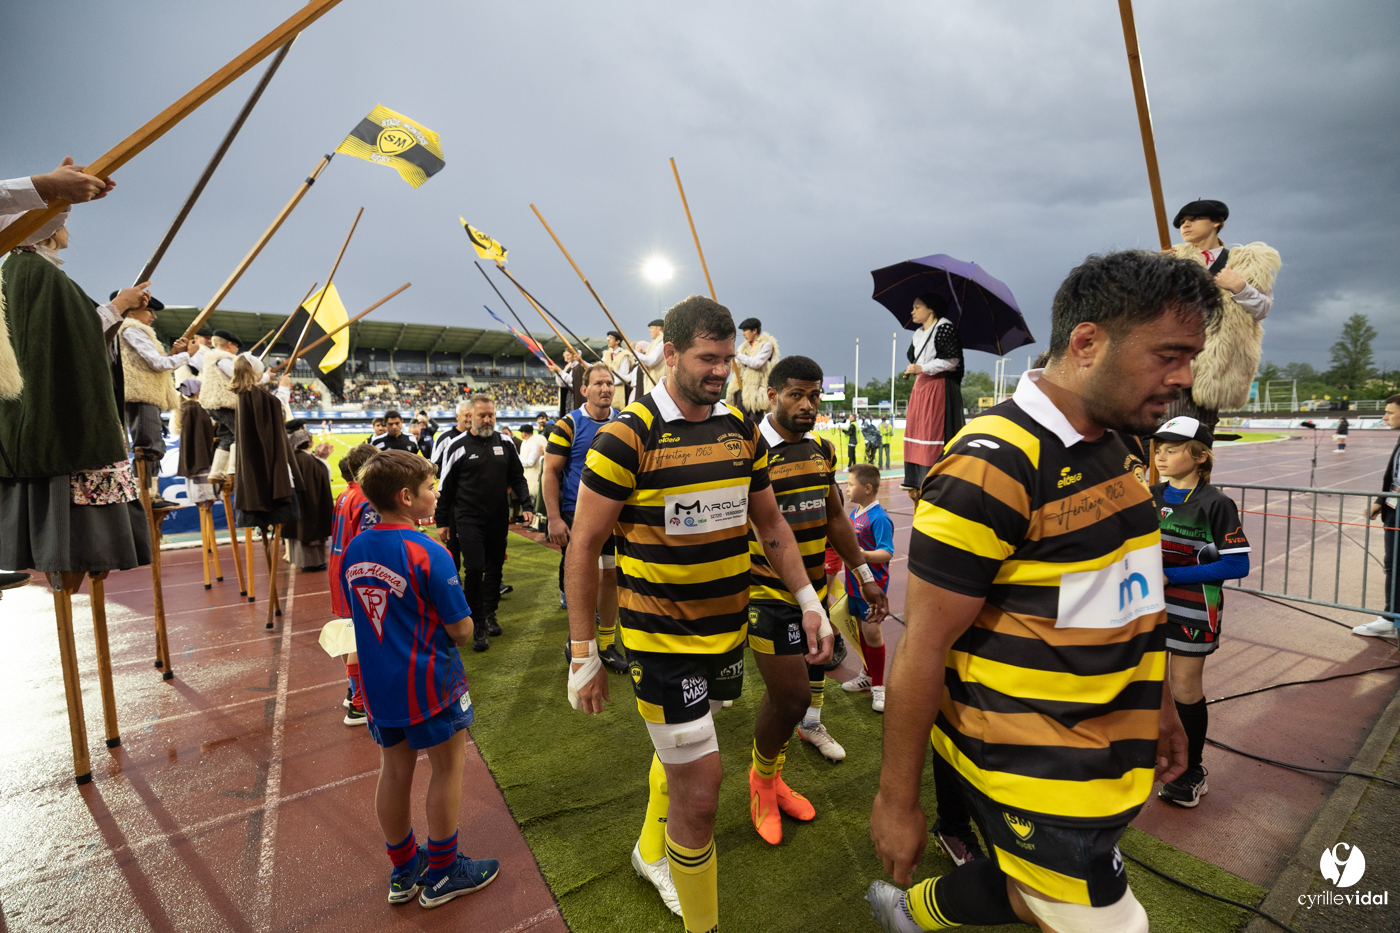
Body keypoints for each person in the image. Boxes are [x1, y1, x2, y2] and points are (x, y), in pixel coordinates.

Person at [867, 249, 1219, 933]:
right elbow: (922, 646)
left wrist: (1161, 707)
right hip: (1032, 764)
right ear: (1087, 342)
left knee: (1028, 894)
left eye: (1191, 359)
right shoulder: (988, 465)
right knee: (1114, 923)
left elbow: (1129, 593)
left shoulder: (1118, 443)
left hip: (1114, 744)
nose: (1183, 381)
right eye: (1168, 356)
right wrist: (896, 798)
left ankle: (909, 913)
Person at [565, 296, 832, 930]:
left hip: (727, 636)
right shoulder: (628, 434)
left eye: (727, 359)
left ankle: (650, 849)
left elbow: (770, 525)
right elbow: (584, 544)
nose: (720, 371)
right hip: (663, 643)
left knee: (684, 763)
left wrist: (809, 599)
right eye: (707, 359)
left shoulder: (738, 428)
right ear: (671, 355)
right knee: (704, 789)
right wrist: (582, 651)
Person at [340, 450, 500, 908]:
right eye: (431, 487)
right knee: (448, 767)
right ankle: (446, 871)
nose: (437, 494)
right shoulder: (429, 551)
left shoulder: (357, 546)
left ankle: (404, 867)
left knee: (394, 771)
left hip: (377, 685)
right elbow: (463, 630)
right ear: (407, 497)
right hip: (429, 682)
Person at [745, 355, 888, 845]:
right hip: (764, 591)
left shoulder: (821, 450)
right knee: (793, 696)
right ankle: (761, 784)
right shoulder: (749, 448)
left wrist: (865, 574)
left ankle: (773, 776)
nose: (807, 406)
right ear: (772, 395)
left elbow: (833, 519)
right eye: (796, 395)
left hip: (813, 594)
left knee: (796, 693)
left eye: (814, 396)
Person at [0, 221, 151, 576]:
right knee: (75, 557)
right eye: (61, 223)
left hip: (30, 416)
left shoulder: (15, 269)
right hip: (59, 419)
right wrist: (120, 304)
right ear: (45, 230)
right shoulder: (38, 272)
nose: (67, 229)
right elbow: (79, 333)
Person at [1150, 416, 1251, 808]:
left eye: (1172, 450)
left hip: (1194, 610)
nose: (1161, 456)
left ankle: (1192, 771)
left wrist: (1171, 575)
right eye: (1159, 449)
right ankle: (1159, 756)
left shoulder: (1217, 503)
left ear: (1200, 456)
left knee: (1185, 690)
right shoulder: (1149, 494)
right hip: (1149, 607)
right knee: (1148, 687)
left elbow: (1236, 565)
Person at [1166, 199, 1281, 432]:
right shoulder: (1171, 259)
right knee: (1166, 431)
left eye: (1194, 219)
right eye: (1182, 222)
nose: (1185, 225)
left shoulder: (1245, 263)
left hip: (1215, 366)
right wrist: (1156, 271)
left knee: (1200, 435)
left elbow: (1262, 309)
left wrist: (1240, 287)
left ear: (1217, 222)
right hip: (1174, 358)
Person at [543, 363, 627, 672]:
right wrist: (554, 518)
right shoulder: (568, 424)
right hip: (576, 512)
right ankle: (579, 641)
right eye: (599, 384)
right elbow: (550, 471)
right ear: (584, 390)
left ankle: (605, 644)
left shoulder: (625, 421)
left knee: (612, 576)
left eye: (609, 383)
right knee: (587, 576)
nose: (605, 388)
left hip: (616, 511)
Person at [435, 395, 533, 651]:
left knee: (495, 567)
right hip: (467, 519)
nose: (487, 420)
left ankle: (490, 613)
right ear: (471, 417)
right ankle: (476, 622)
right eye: (482, 415)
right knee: (475, 568)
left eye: (491, 415)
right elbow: (445, 487)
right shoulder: (457, 445)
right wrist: (442, 521)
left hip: (498, 518)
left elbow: (518, 477)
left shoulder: (506, 443)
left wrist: (527, 505)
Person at [117, 295, 188, 509]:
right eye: (149, 311)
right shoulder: (131, 330)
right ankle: (143, 496)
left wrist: (176, 354)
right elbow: (157, 364)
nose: (153, 317)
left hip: (146, 392)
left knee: (152, 445)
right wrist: (186, 356)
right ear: (131, 311)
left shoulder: (134, 331)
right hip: (140, 393)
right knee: (147, 446)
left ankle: (151, 494)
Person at [329, 443, 381, 726]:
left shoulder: (345, 493)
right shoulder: (364, 498)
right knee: (360, 637)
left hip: (339, 568)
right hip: (354, 574)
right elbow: (369, 541)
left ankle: (353, 693)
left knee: (353, 632)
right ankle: (359, 704)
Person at [838, 463, 894, 712]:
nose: (846, 488)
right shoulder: (855, 514)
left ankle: (879, 687)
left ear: (867, 487)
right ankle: (868, 674)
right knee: (862, 631)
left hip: (873, 586)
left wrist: (862, 555)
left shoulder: (879, 517)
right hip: (853, 585)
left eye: (850, 484)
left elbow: (887, 552)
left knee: (872, 633)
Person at [900, 294, 965, 493]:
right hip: (922, 387)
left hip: (939, 387)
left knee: (934, 430)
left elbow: (952, 361)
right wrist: (916, 369)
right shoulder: (918, 333)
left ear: (931, 309)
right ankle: (916, 478)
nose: (912, 312)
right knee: (917, 429)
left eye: (917, 307)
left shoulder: (944, 327)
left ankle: (936, 477)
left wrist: (922, 368)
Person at [231, 354, 300, 532]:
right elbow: (276, 406)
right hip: (265, 462)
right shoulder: (255, 394)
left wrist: (268, 377)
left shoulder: (246, 393)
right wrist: (283, 387)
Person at [1358, 396, 1400, 637]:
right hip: (1393, 510)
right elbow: (1391, 477)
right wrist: (1380, 501)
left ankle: (1392, 617)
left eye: (1389, 413)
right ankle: (1392, 615)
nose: (1385, 418)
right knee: (1393, 565)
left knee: (1396, 565)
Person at [282, 422, 334, 572]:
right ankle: (312, 563)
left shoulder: (294, 458)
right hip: (311, 504)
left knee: (301, 534)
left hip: (298, 505)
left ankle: (306, 562)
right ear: (309, 442)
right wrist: (323, 459)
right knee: (310, 535)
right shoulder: (308, 460)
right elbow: (324, 476)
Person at [199, 329, 243, 486]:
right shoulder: (223, 358)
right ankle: (234, 470)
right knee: (241, 433)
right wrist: (262, 377)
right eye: (236, 347)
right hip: (225, 403)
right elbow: (237, 377)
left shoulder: (210, 357)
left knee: (227, 436)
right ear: (230, 344)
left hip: (214, 403)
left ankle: (217, 472)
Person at [725, 317, 779, 420]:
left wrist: (737, 354)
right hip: (743, 388)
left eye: (745, 331)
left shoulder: (766, 345)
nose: (744, 334)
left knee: (754, 421)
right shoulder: (744, 347)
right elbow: (736, 367)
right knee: (740, 419)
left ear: (754, 331)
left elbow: (756, 363)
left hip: (757, 390)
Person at [176, 378, 217, 507]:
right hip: (201, 459)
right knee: (205, 502)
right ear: (198, 392)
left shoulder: (185, 408)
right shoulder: (196, 409)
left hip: (193, 460)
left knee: (203, 504)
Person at [517, 423, 547, 526]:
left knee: (536, 501)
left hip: (534, 475)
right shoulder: (525, 442)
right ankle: (531, 522)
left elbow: (530, 462)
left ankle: (536, 524)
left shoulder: (534, 443)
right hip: (529, 475)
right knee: (532, 500)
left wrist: (518, 460)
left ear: (524, 433)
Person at [601, 331, 635, 411]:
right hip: (608, 389)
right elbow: (598, 365)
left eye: (610, 338)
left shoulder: (624, 355)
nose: (608, 340)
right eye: (607, 338)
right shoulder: (607, 354)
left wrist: (609, 381)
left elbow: (623, 376)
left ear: (617, 341)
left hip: (619, 392)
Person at [635, 318, 667, 393]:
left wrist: (634, 352)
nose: (650, 331)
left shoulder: (662, 342)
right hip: (651, 383)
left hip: (657, 383)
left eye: (651, 328)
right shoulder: (654, 343)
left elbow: (651, 361)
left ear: (659, 328)